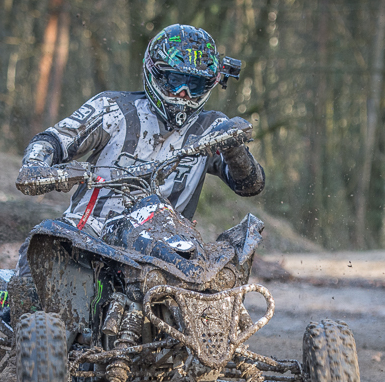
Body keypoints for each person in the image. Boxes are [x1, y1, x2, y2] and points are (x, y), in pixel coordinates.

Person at [13, 24, 265, 278]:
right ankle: (17, 301)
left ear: (210, 84)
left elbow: (250, 186)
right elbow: (53, 140)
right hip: (91, 232)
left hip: (168, 244)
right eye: (175, 80)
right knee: (44, 243)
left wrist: (235, 151)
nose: (183, 94)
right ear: (154, 73)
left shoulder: (212, 127)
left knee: (219, 277)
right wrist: (36, 165)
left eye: (195, 85)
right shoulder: (112, 110)